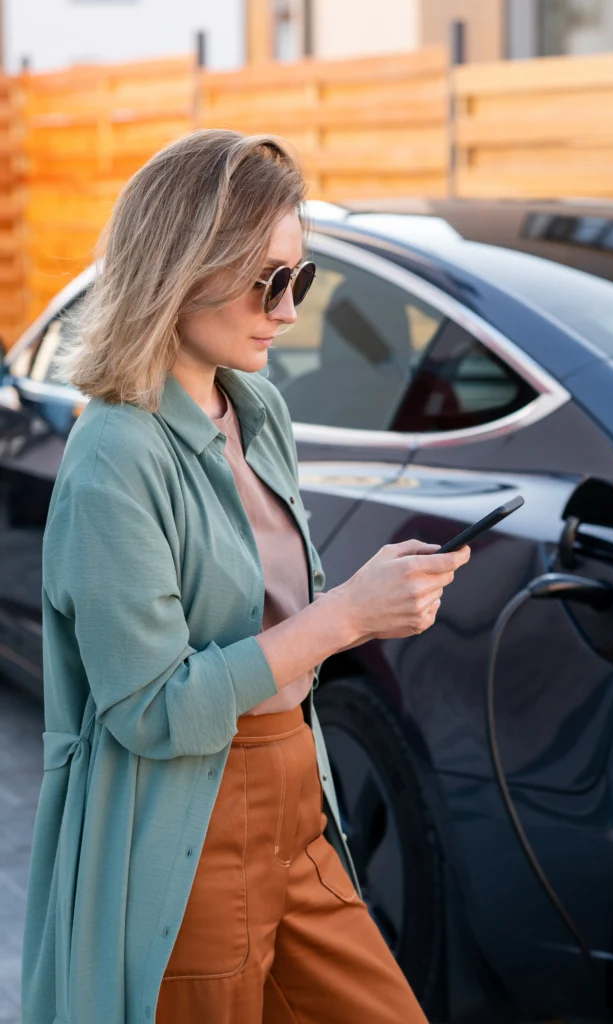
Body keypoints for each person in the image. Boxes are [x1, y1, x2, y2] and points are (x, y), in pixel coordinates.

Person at [21, 129, 471, 1024]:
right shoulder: (114, 454)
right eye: (270, 279)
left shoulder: (257, 408)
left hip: (297, 808)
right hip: (190, 825)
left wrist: (375, 596)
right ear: (184, 265)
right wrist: (346, 617)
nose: (290, 309)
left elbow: (264, 602)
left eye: (299, 280)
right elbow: (150, 709)